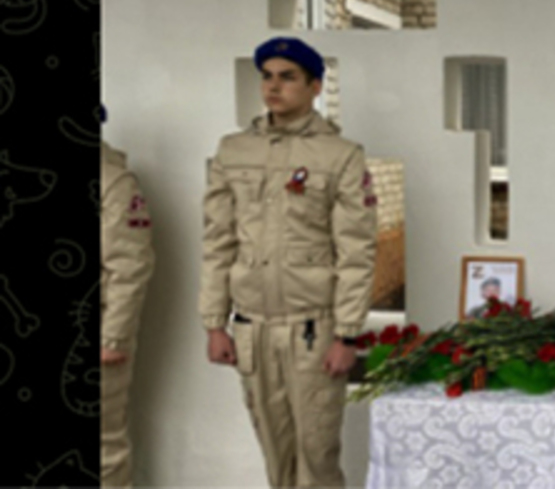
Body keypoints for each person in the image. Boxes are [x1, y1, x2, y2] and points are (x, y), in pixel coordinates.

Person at [199, 37, 377, 488]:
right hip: (251, 330)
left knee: (316, 458)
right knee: (276, 458)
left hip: (312, 330)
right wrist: (214, 323)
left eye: (288, 77)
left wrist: (348, 333)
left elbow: (357, 252)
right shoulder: (233, 151)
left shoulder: (340, 156)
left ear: (315, 85)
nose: (274, 87)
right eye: (267, 76)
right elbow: (218, 240)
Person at [100, 106, 157, 489]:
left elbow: (131, 264)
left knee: (103, 449)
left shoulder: (113, 182)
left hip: (99, 335)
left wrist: (114, 338)